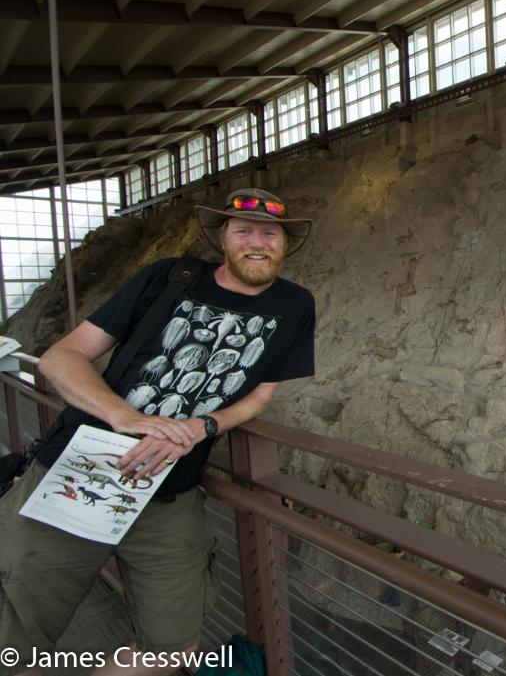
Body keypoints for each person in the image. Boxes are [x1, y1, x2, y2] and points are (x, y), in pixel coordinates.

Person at [0, 188, 316, 676]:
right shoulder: (169, 278)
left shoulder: (295, 305)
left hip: (168, 494)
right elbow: (60, 358)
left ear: (285, 244)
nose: (258, 241)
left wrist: (203, 426)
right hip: (81, 473)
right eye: (244, 230)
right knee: (18, 634)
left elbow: (259, 396)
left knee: (171, 647)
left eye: (270, 233)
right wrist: (123, 416)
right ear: (224, 239)